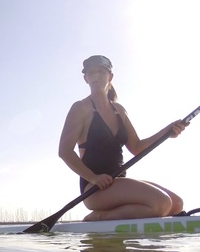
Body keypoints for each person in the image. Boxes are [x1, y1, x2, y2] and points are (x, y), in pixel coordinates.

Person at [58, 55, 188, 221]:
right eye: (91, 73)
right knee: (161, 203)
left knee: (176, 204)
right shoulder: (81, 108)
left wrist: (167, 132)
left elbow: (137, 147)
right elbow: (64, 151)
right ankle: (98, 217)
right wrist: (93, 177)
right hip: (94, 188)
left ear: (110, 76)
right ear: (86, 79)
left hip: (118, 183)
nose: (96, 76)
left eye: (100, 71)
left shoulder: (119, 110)